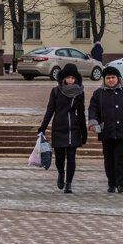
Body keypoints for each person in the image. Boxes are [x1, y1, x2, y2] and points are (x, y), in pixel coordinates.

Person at [87, 64, 123, 193]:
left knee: (121, 158)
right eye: (108, 78)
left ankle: (121, 183)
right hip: (106, 131)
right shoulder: (98, 93)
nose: (111, 80)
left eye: (113, 77)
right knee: (109, 159)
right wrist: (93, 123)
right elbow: (93, 110)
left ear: (118, 78)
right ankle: (111, 183)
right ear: (104, 79)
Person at [38, 62, 86, 193]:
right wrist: (43, 127)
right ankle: (61, 173)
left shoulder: (79, 92)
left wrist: (84, 132)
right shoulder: (56, 91)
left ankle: (69, 183)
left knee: (71, 157)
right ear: (63, 78)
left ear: (76, 79)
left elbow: (81, 113)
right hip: (59, 127)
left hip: (73, 128)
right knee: (59, 158)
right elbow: (50, 110)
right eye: (68, 78)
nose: (70, 80)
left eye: (73, 78)